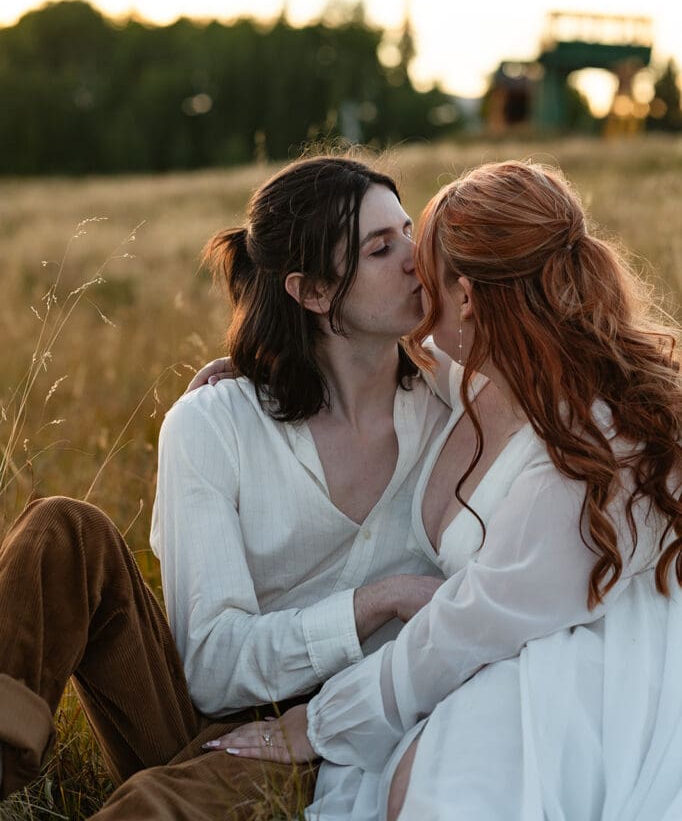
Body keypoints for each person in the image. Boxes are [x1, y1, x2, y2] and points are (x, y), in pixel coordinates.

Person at [0, 154, 469, 820]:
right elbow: (213, 670)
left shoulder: (459, 408)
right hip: (199, 716)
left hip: (328, 738)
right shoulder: (216, 422)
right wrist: (377, 601)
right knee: (61, 530)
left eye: (408, 234)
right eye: (380, 247)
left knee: (153, 808)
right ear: (309, 292)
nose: (414, 259)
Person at [213, 160, 682, 821]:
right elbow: (362, 361)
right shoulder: (476, 370)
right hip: (483, 645)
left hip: (588, 661)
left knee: (433, 784)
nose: (407, 268)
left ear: (466, 299)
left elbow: (481, 617)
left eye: (418, 255)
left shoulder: (598, 446)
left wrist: (319, 724)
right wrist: (264, 364)